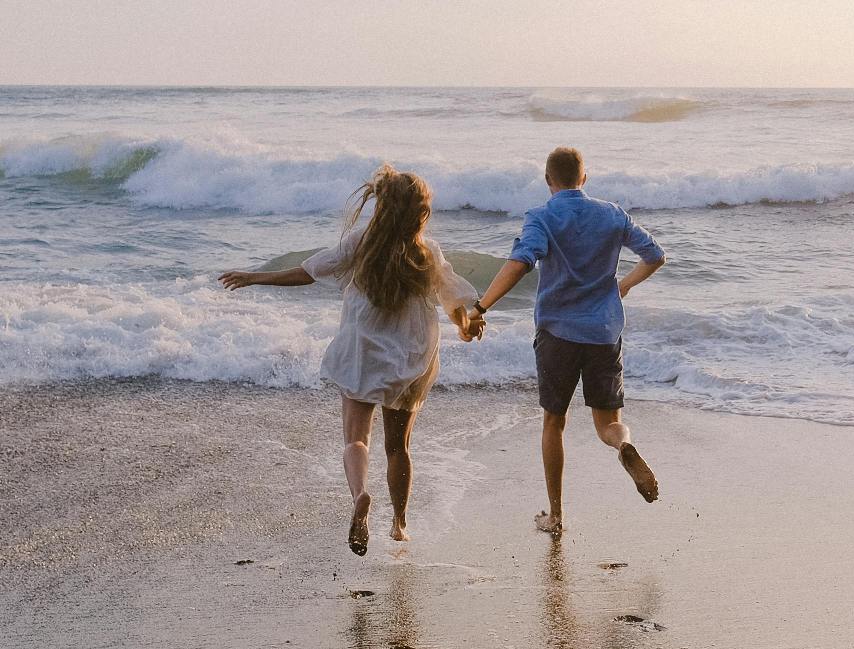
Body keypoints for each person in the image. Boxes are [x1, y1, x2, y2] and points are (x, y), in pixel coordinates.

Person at [219, 165, 483, 556]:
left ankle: (360, 493)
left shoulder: (361, 242)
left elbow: (309, 271)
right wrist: (465, 325)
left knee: (356, 437)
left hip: (363, 351)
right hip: (411, 356)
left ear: (382, 206)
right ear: (420, 213)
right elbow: (453, 297)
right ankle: (399, 524)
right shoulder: (427, 251)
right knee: (399, 446)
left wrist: (257, 277)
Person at [469, 147, 666, 534]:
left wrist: (481, 306)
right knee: (609, 423)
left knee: (554, 423)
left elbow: (521, 262)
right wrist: (621, 286)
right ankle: (625, 446)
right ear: (584, 178)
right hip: (604, 332)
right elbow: (655, 255)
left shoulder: (542, 217)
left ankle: (556, 516)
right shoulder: (612, 214)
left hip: (558, 333)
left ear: (548, 181)